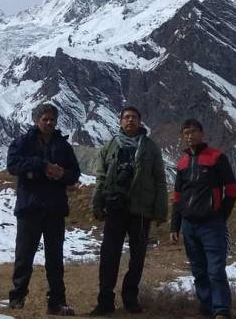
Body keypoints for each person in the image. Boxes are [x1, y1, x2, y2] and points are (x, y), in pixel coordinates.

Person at [89, 106, 168, 315]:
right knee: (109, 256)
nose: (130, 120)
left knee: (138, 256)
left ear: (140, 122)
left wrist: (160, 211)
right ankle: (105, 300)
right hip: (115, 209)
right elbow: (101, 177)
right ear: (120, 121)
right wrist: (97, 204)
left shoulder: (151, 148)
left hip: (141, 211)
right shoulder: (110, 146)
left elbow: (160, 179)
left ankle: (130, 298)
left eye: (134, 117)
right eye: (126, 117)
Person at [6, 103, 80, 316]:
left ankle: (57, 302)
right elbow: (12, 164)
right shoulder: (23, 142)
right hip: (30, 207)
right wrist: (41, 165)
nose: (49, 123)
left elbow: (74, 173)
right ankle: (17, 299)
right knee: (24, 256)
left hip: (55, 209)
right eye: (45, 119)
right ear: (36, 120)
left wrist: (61, 174)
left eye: (52, 119)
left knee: (55, 258)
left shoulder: (63, 146)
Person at [170, 119, 236, 319]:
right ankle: (206, 308)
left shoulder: (217, 158)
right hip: (189, 225)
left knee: (216, 269)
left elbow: (232, 190)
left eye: (193, 131)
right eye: (185, 133)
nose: (189, 136)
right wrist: (175, 226)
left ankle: (221, 310)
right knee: (199, 270)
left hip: (211, 224)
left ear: (202, 133)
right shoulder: (182, 163)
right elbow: (177, 197)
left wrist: (219, 216)